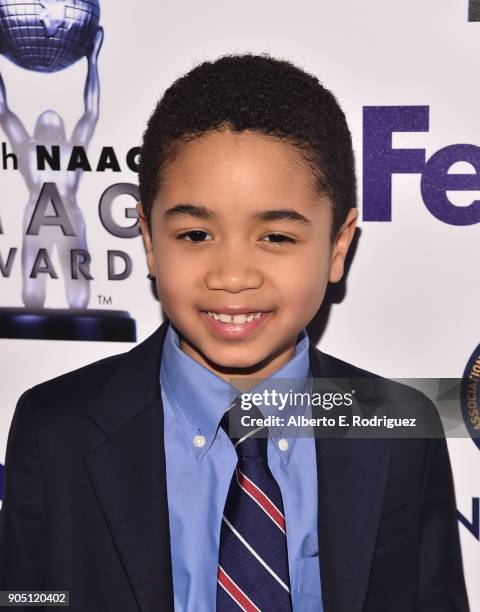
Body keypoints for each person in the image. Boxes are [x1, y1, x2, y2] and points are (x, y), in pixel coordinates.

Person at [0, 54, 469, 612]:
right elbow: (27, 597)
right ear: (149, 241)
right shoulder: (57, 427)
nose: (232, 276)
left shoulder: (398, 430)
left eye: (275, 237)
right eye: (196, 234)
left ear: (338, 246)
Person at [0, 27, 103, 309]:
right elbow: (3, 111)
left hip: (66, 219)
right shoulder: (28, 147)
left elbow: (91, 114)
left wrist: (93, 60)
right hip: (38, 220)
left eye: (53, 121)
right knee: (33, 297)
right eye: (46, 122)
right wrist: (91, 60)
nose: (50, 121)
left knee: (78, 297)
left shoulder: (69, 147)